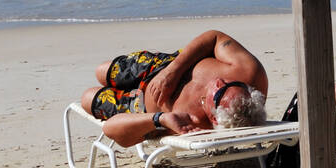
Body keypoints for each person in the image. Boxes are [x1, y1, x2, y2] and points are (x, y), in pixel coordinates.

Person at [79, 29, 269, 147]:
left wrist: (160, 119)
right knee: (101, 71)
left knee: (88, 98)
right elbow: (214, 37)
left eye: (219, 91)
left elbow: (114, 131)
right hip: (166, 65)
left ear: (213, 117)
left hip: (139, 106)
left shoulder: (193, 124)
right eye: (232, 84)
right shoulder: (250, 72)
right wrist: (172, 72)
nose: (220, 81)